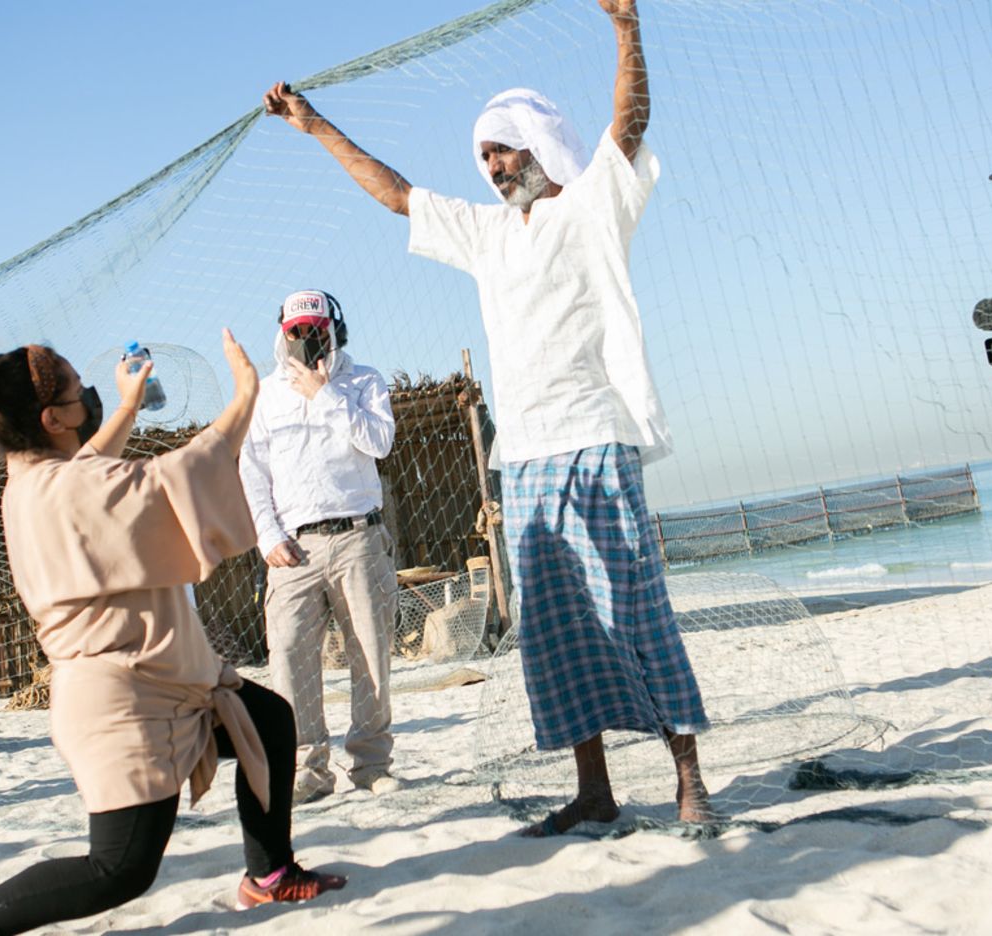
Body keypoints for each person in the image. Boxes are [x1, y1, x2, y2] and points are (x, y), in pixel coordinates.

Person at [262, 0, 713, 836]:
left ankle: (689, 780)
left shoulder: (592, 206)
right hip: (529, 458)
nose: (494, 165)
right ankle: (594, 791)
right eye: (484, 155)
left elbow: (630, 119)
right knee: (558, 633)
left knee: (633, 610)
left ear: (539, 144)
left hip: (595, 439)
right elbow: (396, 194)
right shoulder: (486, 234)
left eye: (503, 147)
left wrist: (625, 27)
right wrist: (314, 125)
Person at [0, 331, 344, 936]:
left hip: (162, 677)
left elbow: (89, 465)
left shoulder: (33, 478)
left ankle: (269, 875)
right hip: (119, 701)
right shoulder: (69, 488)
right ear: (53, 418)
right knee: (119, 869)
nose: (87, 396)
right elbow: (182, 475)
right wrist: (246, 394)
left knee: (269, 722)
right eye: (77, 392)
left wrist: (125, 406)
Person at [238, 289, 399, 804]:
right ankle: (309, 770)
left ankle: (372, 765)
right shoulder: (264, 396)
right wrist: (267, 534)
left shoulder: (364, 380)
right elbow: (252, 470)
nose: (307, 339)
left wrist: (325, 395)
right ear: (282, 335)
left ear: (335, 329)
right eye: (297, 332)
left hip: (359, 536)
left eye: (315, 329)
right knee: (288, 659)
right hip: (294, 548)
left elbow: (380, 444)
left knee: (371, 655)